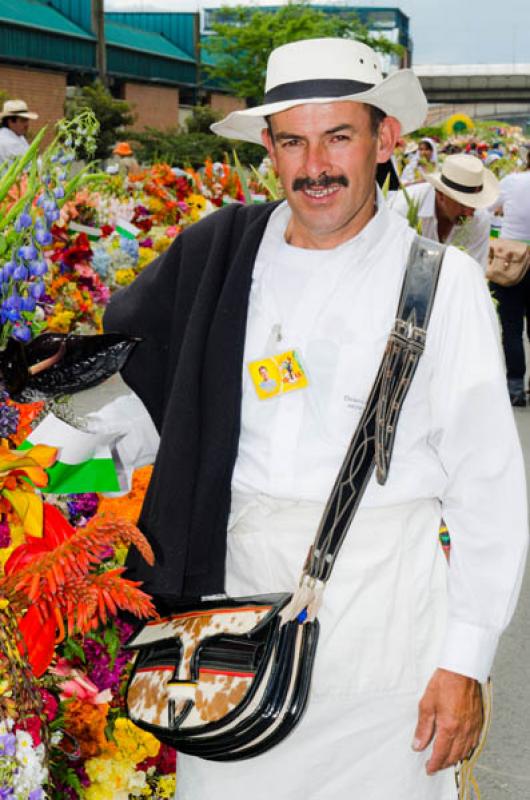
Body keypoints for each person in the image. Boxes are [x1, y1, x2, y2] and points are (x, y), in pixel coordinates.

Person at [103, 37, 527, 800]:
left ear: (384, 139)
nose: (315, 166)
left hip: (389, 634)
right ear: (268, 146)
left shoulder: (443, 283)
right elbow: (136, 398)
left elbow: (487, 489)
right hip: (231, 629)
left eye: (339, 136)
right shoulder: (219, 256)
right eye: (293, 141)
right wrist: (35, 463)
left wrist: (465, 659)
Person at [390, 154, 498, 270]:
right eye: (463, 205)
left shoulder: (479, 220)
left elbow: (474, 270)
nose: (469, 213)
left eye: (474, 205)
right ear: (441, 195)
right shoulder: (401, 208)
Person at [488, 150, 530, 405]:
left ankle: (515, 387)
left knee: (512, 327)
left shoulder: (512, 181)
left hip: (511, 260)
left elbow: (489, 207)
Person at [0, 99, 38, 164]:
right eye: (23, 120)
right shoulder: (9, 142)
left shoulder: (18, 137)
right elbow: (29, 166)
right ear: (10, 122)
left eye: (27, 120)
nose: (27, 124)